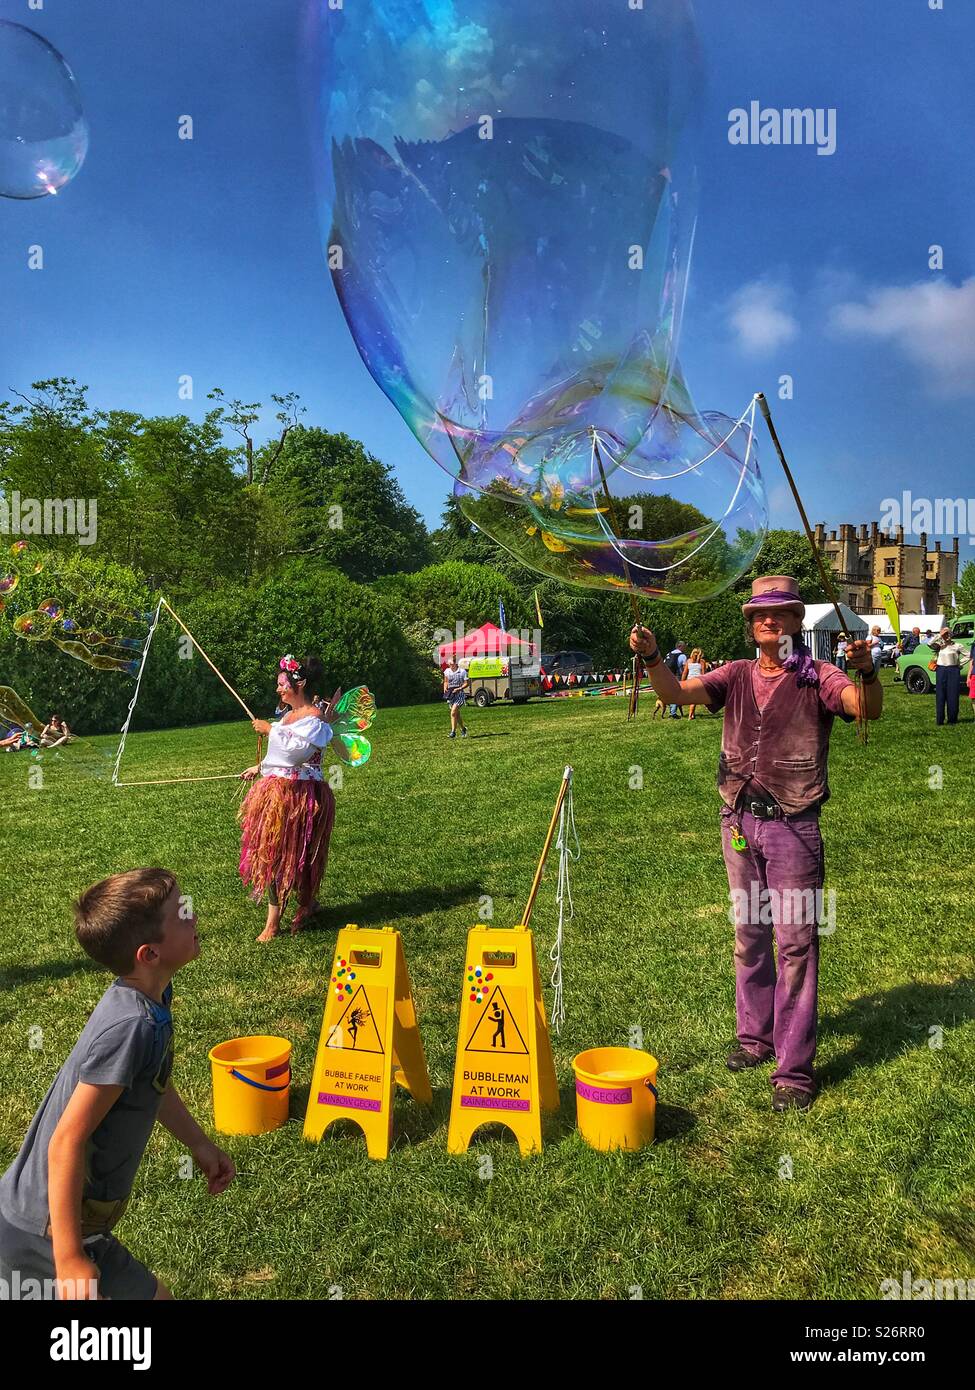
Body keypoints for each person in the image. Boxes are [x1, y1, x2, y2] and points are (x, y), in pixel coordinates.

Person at [630, 575, 882, 1112]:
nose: (769, 620)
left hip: (794, 827)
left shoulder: (819, 675)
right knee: (749, 934)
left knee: (796, 945)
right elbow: (675, 694)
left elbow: (865, 707)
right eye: (760, 614)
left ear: (795, 622)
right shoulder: (737, 674)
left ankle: (793, 1072)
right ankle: (755, 1039)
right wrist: (652, 656)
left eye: (781, 612)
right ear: (751, 626)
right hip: (739, 824)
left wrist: (868, 671)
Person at [0, 868, 234, 1300]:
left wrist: (199, 1144)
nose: (194, 914)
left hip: (68, 1225)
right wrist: (69, 1259)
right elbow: (65, 1141)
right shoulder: (131, 1026)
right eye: (182, 913)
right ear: (150, 954)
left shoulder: (150, 1001)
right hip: (44, 1232)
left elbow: (152, 1083)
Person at [242, 654, 348, 942]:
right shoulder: (287, 717)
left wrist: (270, 729)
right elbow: (279, 756)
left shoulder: (316, 719)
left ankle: (305, 903)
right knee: (272, 853)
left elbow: (295, 754)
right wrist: (259, 767)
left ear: (298, 684)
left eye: (282, 684)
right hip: (277, 792)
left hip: (302, 796)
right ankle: (274, 921)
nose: (278, 689)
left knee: (301, 855)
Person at [929, 627, 964, 726]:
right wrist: (940, 635)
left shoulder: (957, 645)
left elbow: (968, 655)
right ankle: (940, 720)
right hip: (941, 670)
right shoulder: (939, 646)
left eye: (948, 633)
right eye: (945, 634)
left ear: (951, 634)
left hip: (953, 670)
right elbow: (929, 644)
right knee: (940, 695)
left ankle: (952, 720)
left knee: (953, 694)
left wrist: (959, 663)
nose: (947, 636)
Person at [443, 657, 470, 739]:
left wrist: (459, 688)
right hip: (451, 694)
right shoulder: (447, 671)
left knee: (453, 712)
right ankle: (463, 729)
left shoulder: (462, 672)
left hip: (459, 694)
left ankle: (453, 732)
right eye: (449, 664)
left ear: (455, 663)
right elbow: (446, 681)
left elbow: (466, 683)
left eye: (451, 664)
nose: (450, 665)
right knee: (456, 714)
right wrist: (445, 688)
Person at [682, 647, 709, 720]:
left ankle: (692, 715)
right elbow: (704, 674)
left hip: (689, 681)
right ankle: (690, 715)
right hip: (698, 682)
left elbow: (685, 673)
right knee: (694, 699)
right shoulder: (702, 662)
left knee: (693, 698)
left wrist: (682, 682)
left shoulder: (688, 661)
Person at [664, 642, 687, 717]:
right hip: (677, 676)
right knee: (676, 693)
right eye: (684, 646)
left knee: (670, 693)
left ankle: (671, 709)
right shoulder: (682, 656)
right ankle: (673, 712)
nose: (685, 648)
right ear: (680, 646)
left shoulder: (669, 654)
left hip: (667, 676)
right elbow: (685, 668)